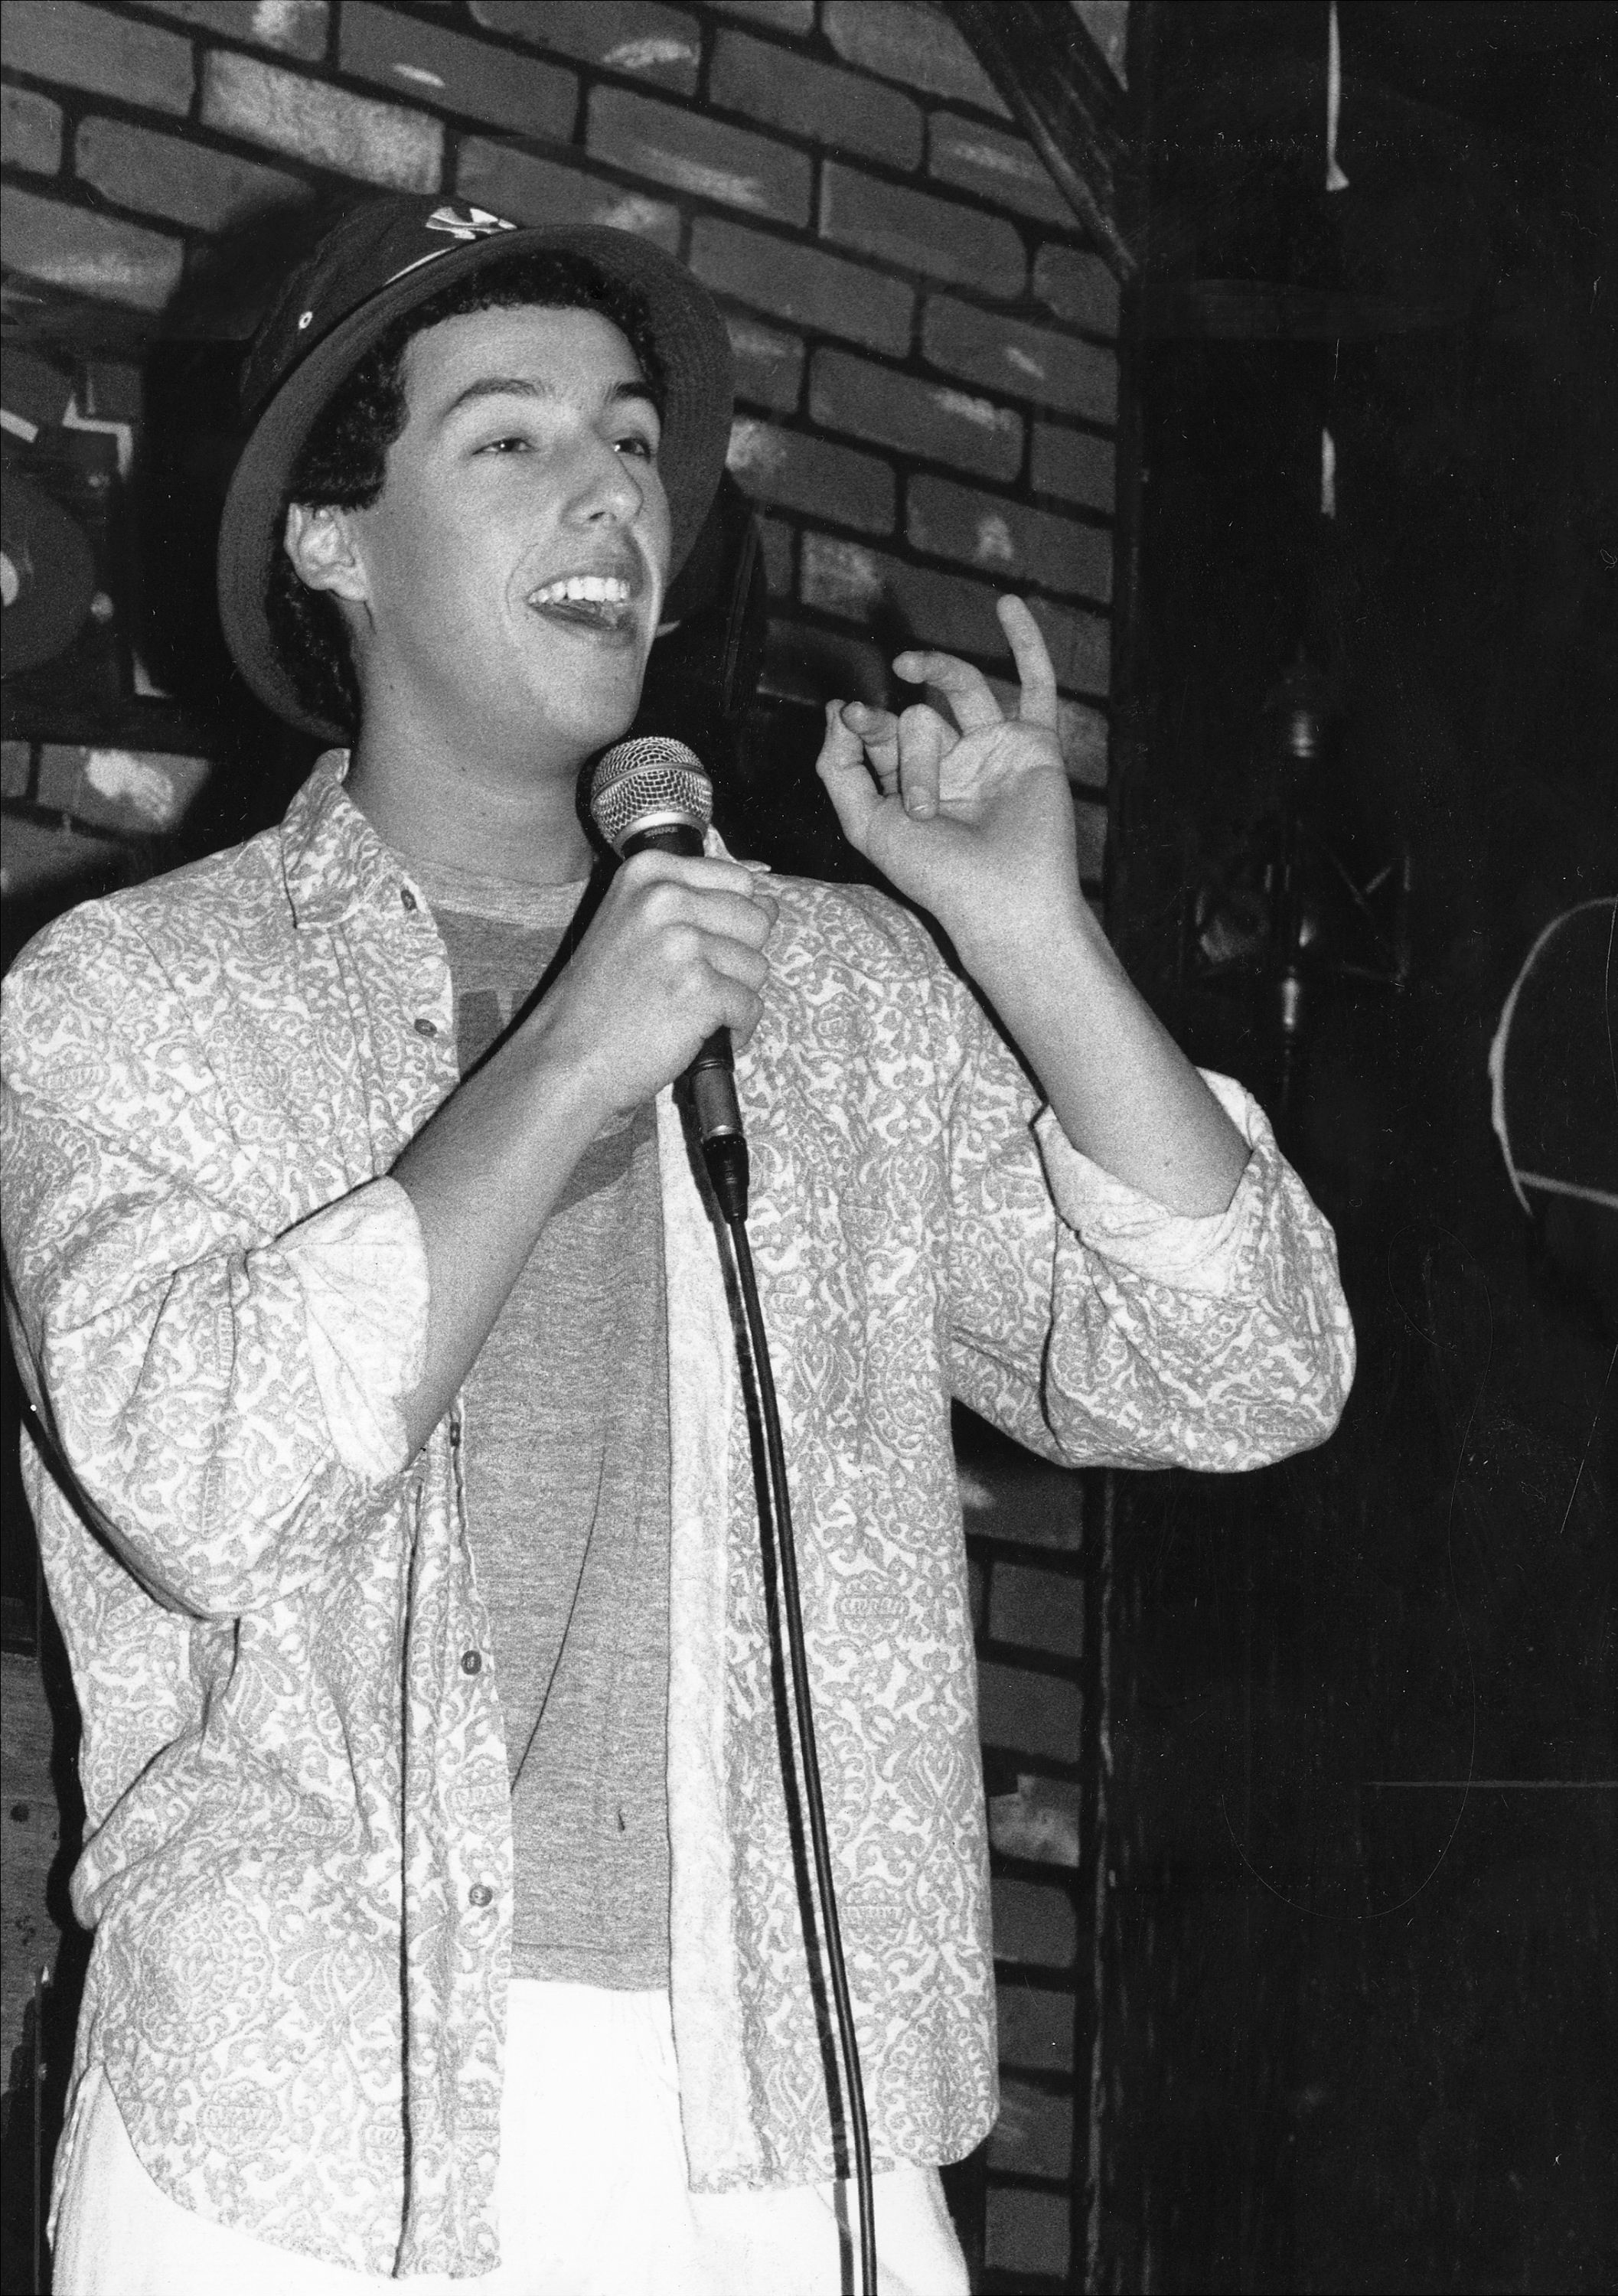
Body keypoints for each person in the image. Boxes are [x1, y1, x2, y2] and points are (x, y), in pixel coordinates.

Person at [0, 196, 1355, 2294]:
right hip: (304, 2123)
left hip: (773, 2109)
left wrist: (1025, 934)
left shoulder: (826, 990)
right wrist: (563, 1067)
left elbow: (1244, 1366)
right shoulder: (136, 997)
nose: (610, 492)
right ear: (331, 543)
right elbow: (196, 1480)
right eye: (513, 438)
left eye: (633, 441)